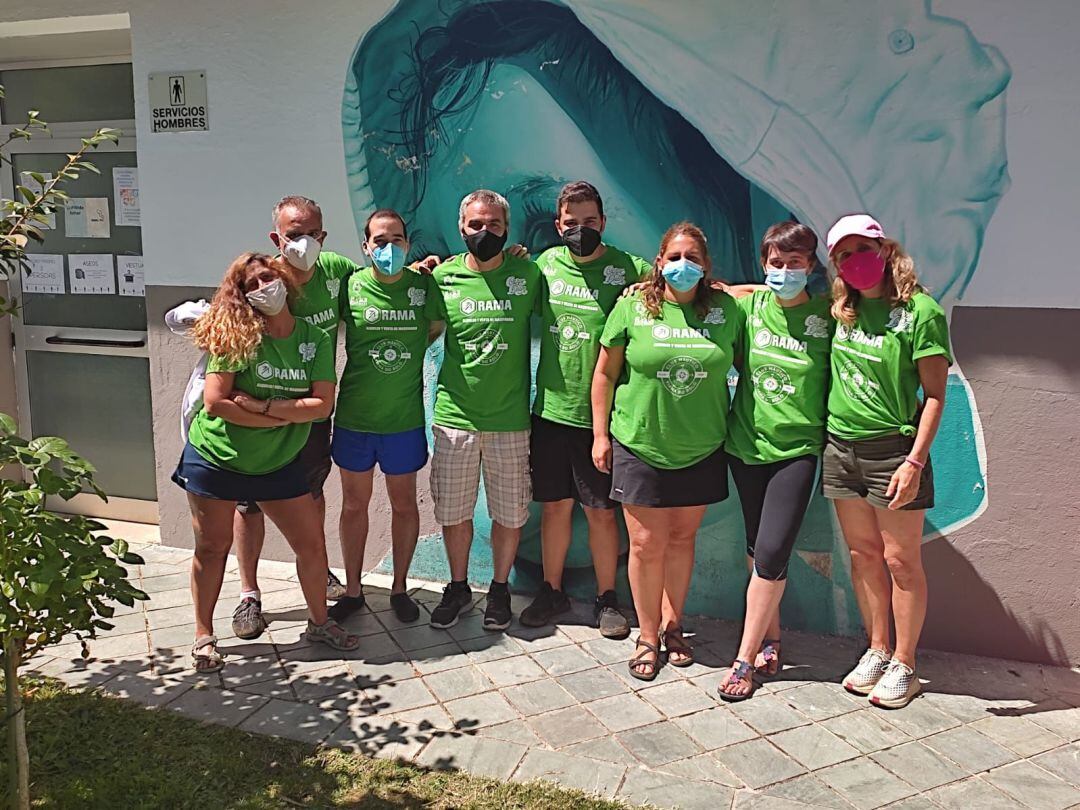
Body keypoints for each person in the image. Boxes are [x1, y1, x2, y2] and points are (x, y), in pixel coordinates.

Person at [173, 253, 361, 672]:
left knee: (311, 546)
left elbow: (322, 405)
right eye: (251, 284)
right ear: (241, 296)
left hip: (280, 460)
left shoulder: (315, 336)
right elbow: (217, 403)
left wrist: (261, 405)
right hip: (217, 456)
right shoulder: (238, 334)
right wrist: (285, 411)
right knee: (212, 546)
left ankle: (319, 623)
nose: (263, 288)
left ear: (285, 281)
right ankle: (204, 636)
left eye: (267, 278)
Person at [591, 222, 743, 680]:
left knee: (681, 540)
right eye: (674, 257)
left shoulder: (725, 311)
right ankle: (648, 634)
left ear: (707, 266)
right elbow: (604, 375)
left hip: (701, 446)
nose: (683, 265)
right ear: (659, 262)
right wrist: (600, 436)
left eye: (692, 257)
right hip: (639, 443)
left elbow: (757, 309)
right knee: (644, 543)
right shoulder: (633, 307)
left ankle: (675, 626)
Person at [822, 214, 950, 709]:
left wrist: (915, 463)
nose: (855, 261)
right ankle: (876, 649)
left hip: (894, 454)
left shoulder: (920, 312)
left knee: (901, 562)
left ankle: (905, 663)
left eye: (863, 248)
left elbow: (935, 395)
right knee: (863, 556)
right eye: (843, 254)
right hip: (841, 449)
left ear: (886, 248)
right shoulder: (842, 309)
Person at [520, 181, 649, 637]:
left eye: (589, 222)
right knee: (554, 509)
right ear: (558, 226)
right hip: (550, 413)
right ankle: (551, 591)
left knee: (599, 512)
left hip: (602, 421)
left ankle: (607, 598)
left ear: (603, 223)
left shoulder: (628, 269)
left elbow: (672, 286)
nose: (580, 230)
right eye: (571, 224)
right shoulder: (544, 265)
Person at [229, 195, 360, 641]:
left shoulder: (338, 270)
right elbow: (228, 322)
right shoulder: (265, 278)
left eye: (311, 234)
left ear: (323, 236)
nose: (302, 242)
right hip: (259, 405)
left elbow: (383, 280)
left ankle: (319, 572)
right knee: (249, 503)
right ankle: (249, 594)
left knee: (312, 492)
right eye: (292, 234)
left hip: (311, 409)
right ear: (276, 238)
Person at [717, 222, 834, 701]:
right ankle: (773, 639)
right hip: (745, 447)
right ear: (764, 264)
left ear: (811, 267)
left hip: (797, 452)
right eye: (776, 263)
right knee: (755, 547)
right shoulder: (750, 306)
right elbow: (715, 289)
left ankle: (743, 661)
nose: (784, 272)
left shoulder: (829, 316)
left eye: (795, 263)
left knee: (770, 554)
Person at [423, 189, 541, 631]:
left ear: (506, 228)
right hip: (455, 418)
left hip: (510, 420)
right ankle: (457, 588)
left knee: (509, 514)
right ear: (461, 227)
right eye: (476, 225)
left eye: (493, 224)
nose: (484, 232)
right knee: (453, 512)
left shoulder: (527, 274)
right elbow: (427, 331)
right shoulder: (442, 278)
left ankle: (498, 589)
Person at [328, 209, 444, 624]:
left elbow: (433, 328)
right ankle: (354, 589)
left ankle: (399, 587)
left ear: (408, 244)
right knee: (354, 505)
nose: (388, 247)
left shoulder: (422, 287)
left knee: (404, 505)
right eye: (380, 240)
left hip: (403, 420)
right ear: (365, 247)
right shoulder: (351, 287)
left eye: (397, 239)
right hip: (355, 419)